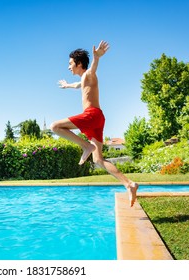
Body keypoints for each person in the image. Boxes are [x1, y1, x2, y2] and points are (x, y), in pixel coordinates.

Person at [50, 40, 139, 207]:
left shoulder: (89, 74)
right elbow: (78, 85)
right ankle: (129, 184)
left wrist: (97, 58)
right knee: (99, 160)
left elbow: (92, 70)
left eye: (70, 63)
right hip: (97, 119)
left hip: (92, 115)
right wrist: (67, 85)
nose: (69, 67)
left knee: (54, 126)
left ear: (79, 64)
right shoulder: (84, 79)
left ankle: (86, 146)